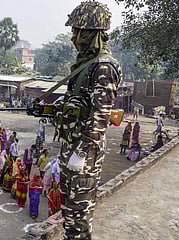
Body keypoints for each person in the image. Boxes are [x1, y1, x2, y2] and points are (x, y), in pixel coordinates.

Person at [57, 2, 122, 238]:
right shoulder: (86, 64)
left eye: (79, 31)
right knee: (69, 212)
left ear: (95, 33)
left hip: (85, 155)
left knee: (78, 219)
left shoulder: (103, 66)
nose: (74, 37)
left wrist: (81, 153)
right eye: (74, 31)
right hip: (73, 149)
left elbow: (100, 117)